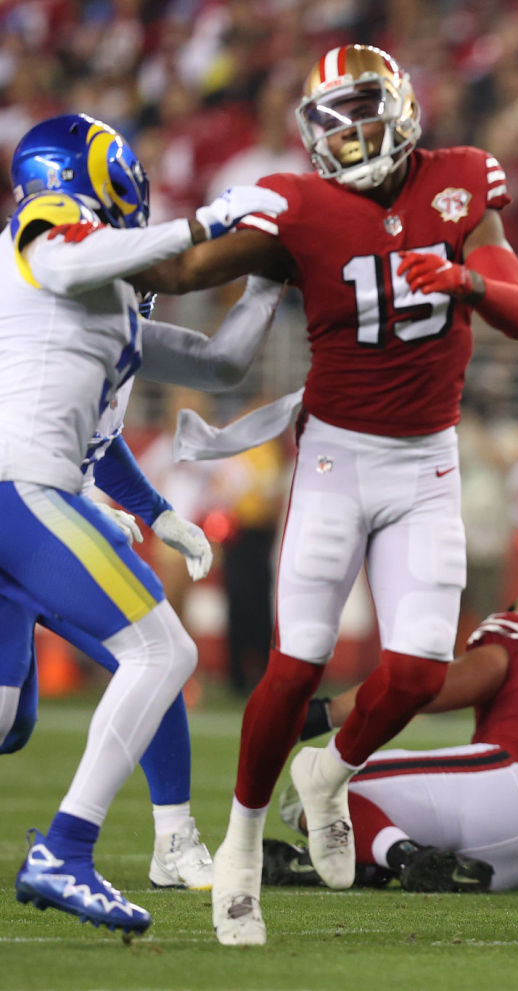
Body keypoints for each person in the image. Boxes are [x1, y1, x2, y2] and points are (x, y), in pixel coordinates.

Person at [131, 45, 518, 945]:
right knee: (300, 658)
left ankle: (334, 769)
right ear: (311, 133)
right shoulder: (296, 204)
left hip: (429, 458)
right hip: (336, 459)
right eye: (333, 116)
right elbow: (182, 274)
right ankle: (240, 843)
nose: (352, 131)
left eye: (365, 108)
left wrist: (468, 279)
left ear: (400, 107)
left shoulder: (461, 180)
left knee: (421, 670)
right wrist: (88, 257)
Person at [2, 113, 286, 932]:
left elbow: (219, 362)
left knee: (4, 717)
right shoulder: (46, 232)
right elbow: (71, 259)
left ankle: (104, 844)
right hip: (19, 485)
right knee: (162, 649)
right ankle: (66, 849)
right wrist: (202, 223)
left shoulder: (105, 297)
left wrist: (265, 282)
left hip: (26, 489)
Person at [280, 581, 518, 893]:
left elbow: (426, 687)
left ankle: (400, 857)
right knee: (345, 801)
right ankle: (382, 862)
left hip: (503, 789)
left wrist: (323, 714)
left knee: (311, 786)